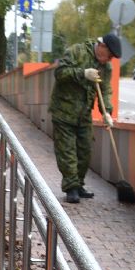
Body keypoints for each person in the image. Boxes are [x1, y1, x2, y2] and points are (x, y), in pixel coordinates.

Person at [49, 33, 119, 204]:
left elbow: (105, 91)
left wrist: (107, 112)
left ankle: (79, 184)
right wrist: (82, 73)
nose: (108, 60)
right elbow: (59, 73)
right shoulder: (76, 51)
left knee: (85, 151)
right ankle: (71, 187)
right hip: (63, 112)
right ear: (101, 46)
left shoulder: (105, 68)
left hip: (83, 115)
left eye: (111, 58)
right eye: (108, 55)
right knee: (67, 152)